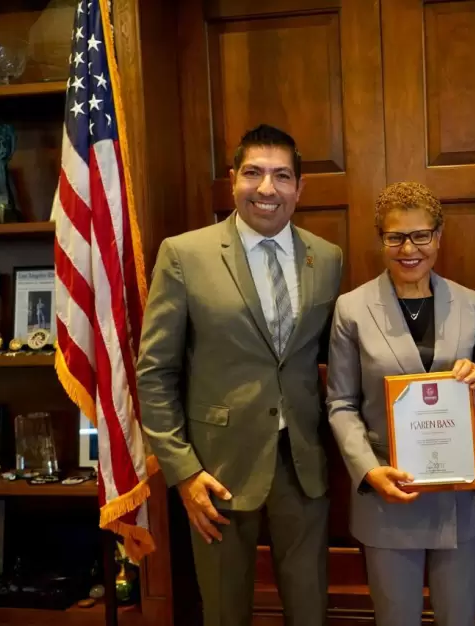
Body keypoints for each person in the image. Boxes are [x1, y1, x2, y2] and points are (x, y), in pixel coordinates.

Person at [137, 124, 343, 626]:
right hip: (216, 469)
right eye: (253, 173)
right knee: (225, 609)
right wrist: (183, 471)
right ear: (233, 179)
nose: (267, 189)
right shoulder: (185, 254)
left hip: (303, 463)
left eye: (281, 176)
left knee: (310, 606)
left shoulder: (328, 258)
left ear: (300, 187)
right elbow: (154, 371)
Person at [326, 182, 475, 626]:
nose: (408, 248)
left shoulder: (470, 304)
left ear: (439, 236)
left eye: (421, 235)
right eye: (395, 237)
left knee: (460, 619)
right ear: (381, 239)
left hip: (458, 499)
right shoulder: (352, 308)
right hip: (388, 494)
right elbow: (340, 402)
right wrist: (367, 470)